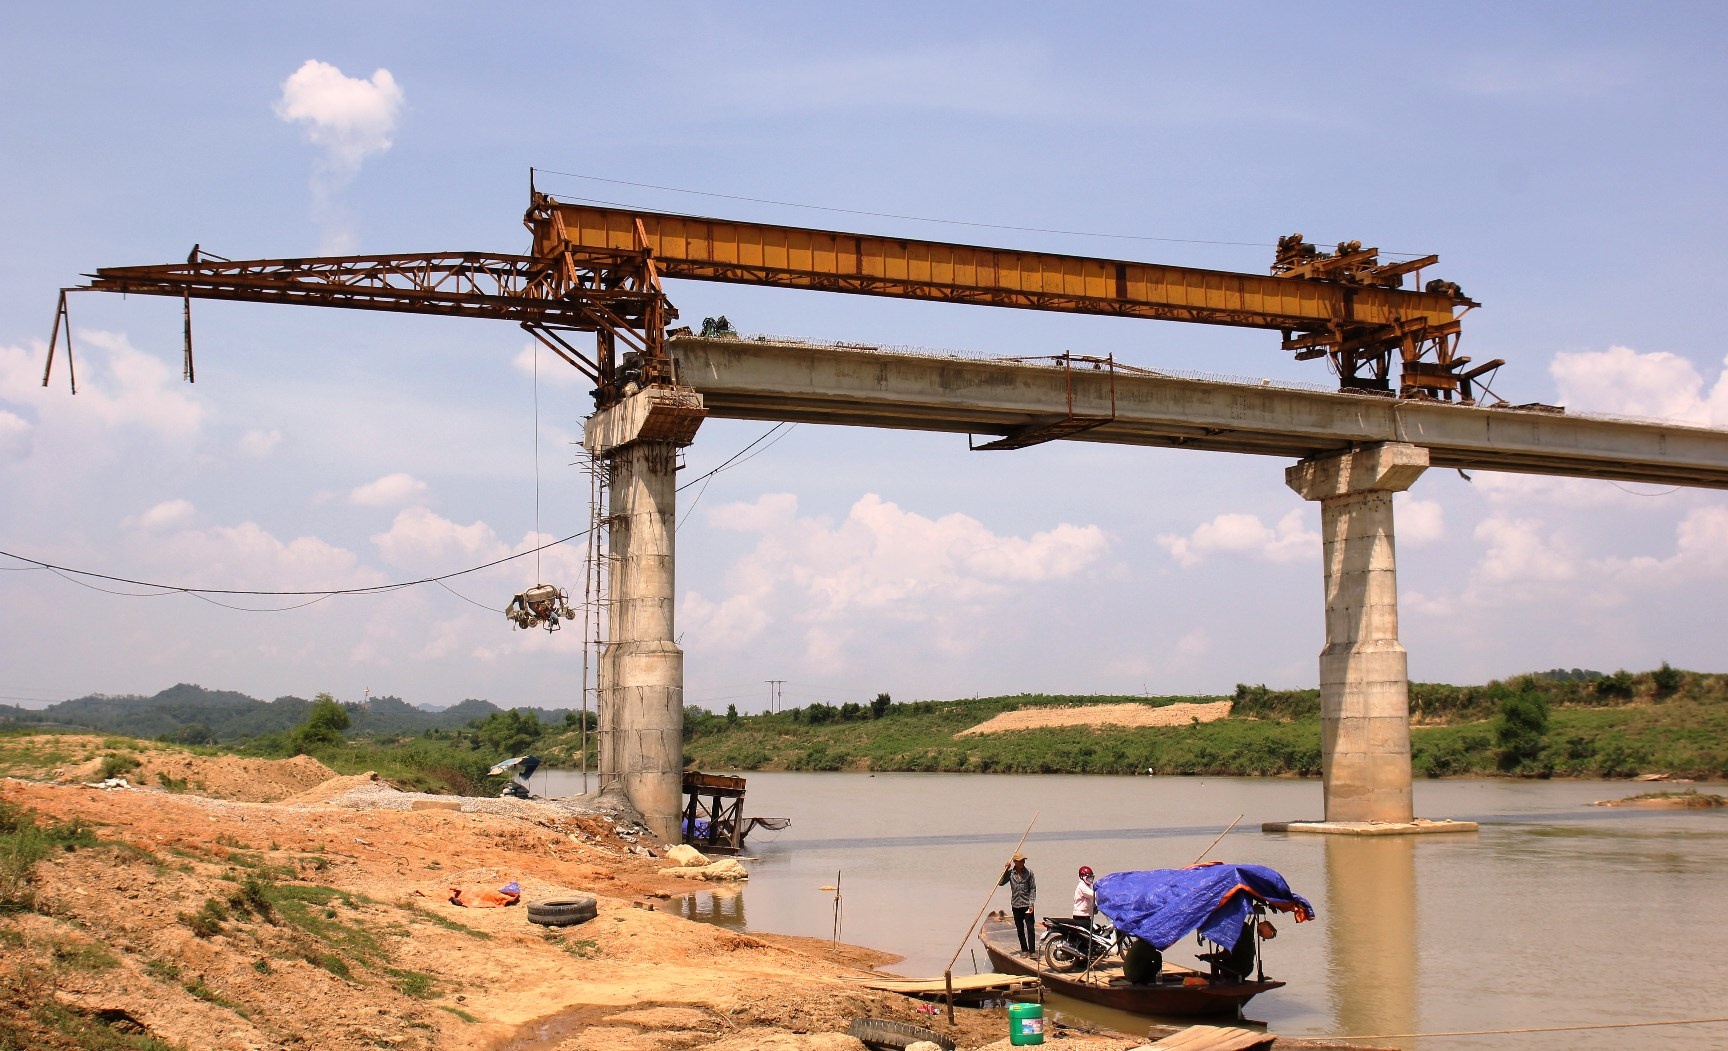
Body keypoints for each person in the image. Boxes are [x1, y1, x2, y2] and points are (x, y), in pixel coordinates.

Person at [998, 852, 1037, 956]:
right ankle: (1024, 950)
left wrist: (1031, 903)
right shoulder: (1011, 874)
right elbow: (1000, 883)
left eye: (1023, 860)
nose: (1023, 862)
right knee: (1020, 929)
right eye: (1020, 861)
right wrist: (1005, 870)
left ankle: (1032, 951)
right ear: (1015, 862)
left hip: (1027, 904)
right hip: (1016, 905)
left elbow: (1033, 889)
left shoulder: (1029, 873)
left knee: (1030, 928)